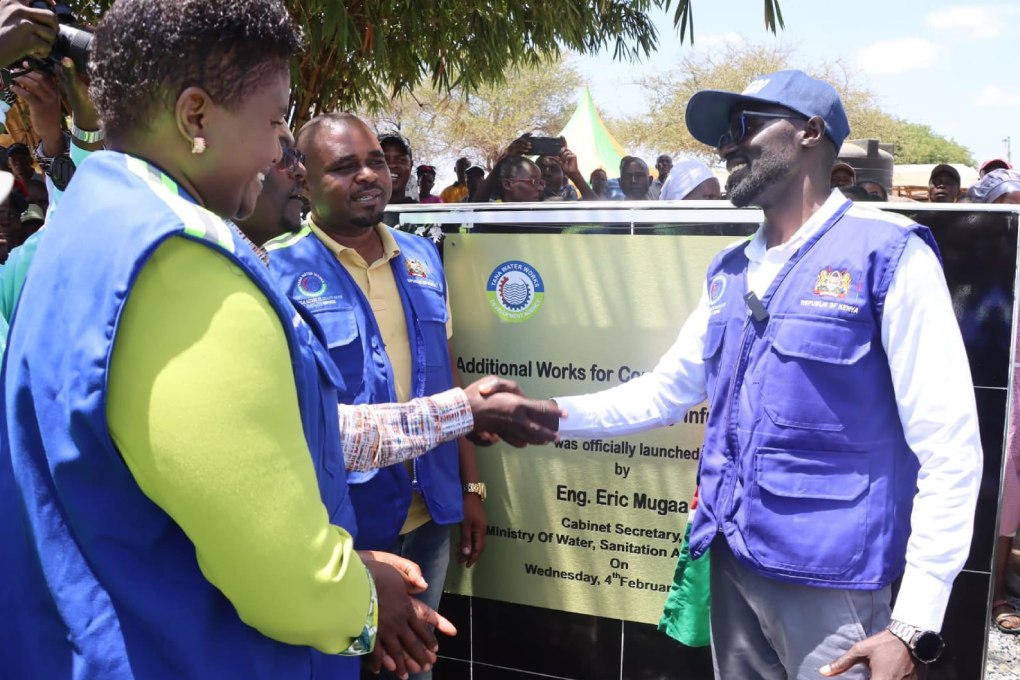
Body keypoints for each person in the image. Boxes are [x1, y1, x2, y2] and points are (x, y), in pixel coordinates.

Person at [0, 3, 558, 678]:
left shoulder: (87, 224)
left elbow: (296, 436)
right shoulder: (184, 263)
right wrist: (358, 594)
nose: (276, 155)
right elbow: (288, 577)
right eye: (273, 122)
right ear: (196, 116)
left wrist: (459, 410)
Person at [543, 69, 982, 680]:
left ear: (810, 132)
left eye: (746, 125)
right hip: (732, 564)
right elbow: (669, 389)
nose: (726, 145)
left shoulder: (887, 255)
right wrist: (546, 415)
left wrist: (913, 624)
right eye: (724, 133)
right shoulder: (729, 271)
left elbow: (950, 446)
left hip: (832, 589)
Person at [266, 115, 487, 680]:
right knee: (348, 667)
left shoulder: (422, 257)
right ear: (303, 178)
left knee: (415, 665)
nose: (368, 175)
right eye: (344, 166)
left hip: (432, 514)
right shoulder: (276, 268)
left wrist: (470, 486)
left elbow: (447, 377)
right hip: (347, 526)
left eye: (376, 162)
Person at [380, 132, 415, 204]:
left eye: (400, 160)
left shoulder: (420, 214)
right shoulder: (356, 212)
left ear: (411, 165)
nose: (392, 165)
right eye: (384, 159)